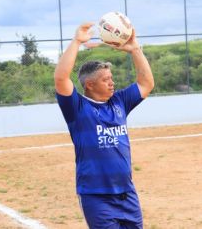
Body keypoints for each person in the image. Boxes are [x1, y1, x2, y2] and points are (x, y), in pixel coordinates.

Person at [54, 22, 154, 229]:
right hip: (96, 196)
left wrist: (135, 49)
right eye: (106, 80)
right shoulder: (77, 108)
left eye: (111, 78)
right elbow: (61, 78)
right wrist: (76, 42)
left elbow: (146, 84)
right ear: (90, 84)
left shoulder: (119, 102)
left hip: (127, 193)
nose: (112, 83)